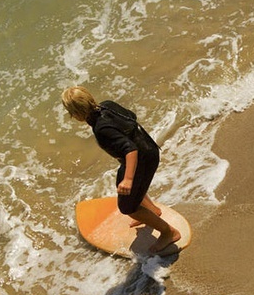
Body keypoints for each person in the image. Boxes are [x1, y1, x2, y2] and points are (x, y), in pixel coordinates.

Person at [62, 86, 181, 254]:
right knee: (126, 189)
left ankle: (169, 233)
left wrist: (129, 179)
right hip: (148, 147)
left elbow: (130, 149)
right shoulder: (107, 105)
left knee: (127, 207)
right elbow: (132, 117)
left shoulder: (101, 129)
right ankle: (153, 211)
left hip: (142, 158)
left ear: (76, 113)